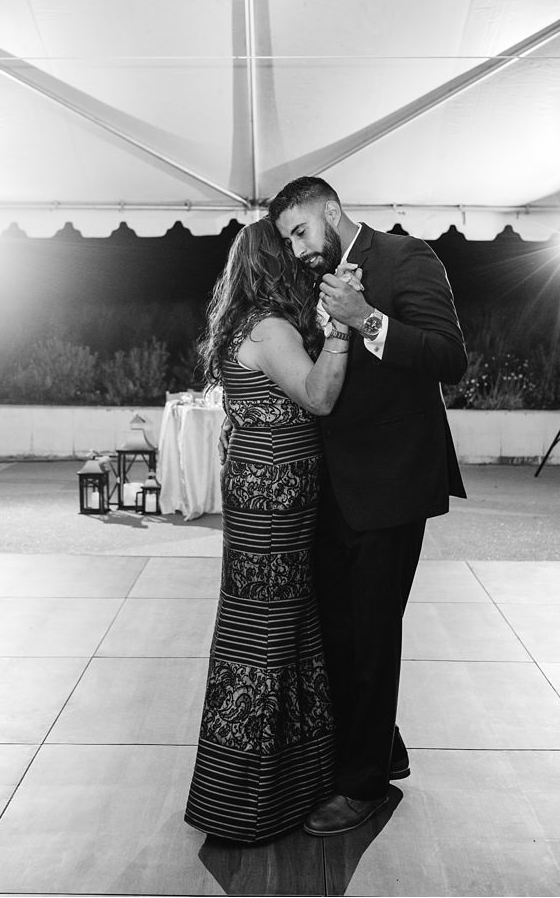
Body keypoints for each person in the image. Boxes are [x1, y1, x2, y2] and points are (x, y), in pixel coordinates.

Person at [269, 176, 467, 836]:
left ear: (330, 210)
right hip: (334, 485)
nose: (297, 249)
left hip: (394, 482)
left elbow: (449, 357)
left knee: (372, 636)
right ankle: (382, 745)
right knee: (338, 632)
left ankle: (363, 787)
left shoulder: (407, 259)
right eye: (287, 239)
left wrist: (365, 320)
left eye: (300, 231)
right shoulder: (314, 279)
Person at [184, 219, 350, 843]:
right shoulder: (274, 328)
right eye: (291, 250)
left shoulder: (240, 322)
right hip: (277, 497)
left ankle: (289, 783)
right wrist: (336, 336)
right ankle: (244, 801)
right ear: (272, 263)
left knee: (272, 621)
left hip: (258, 488)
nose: (304, 256)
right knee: (270, 631)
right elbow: (319, 398)